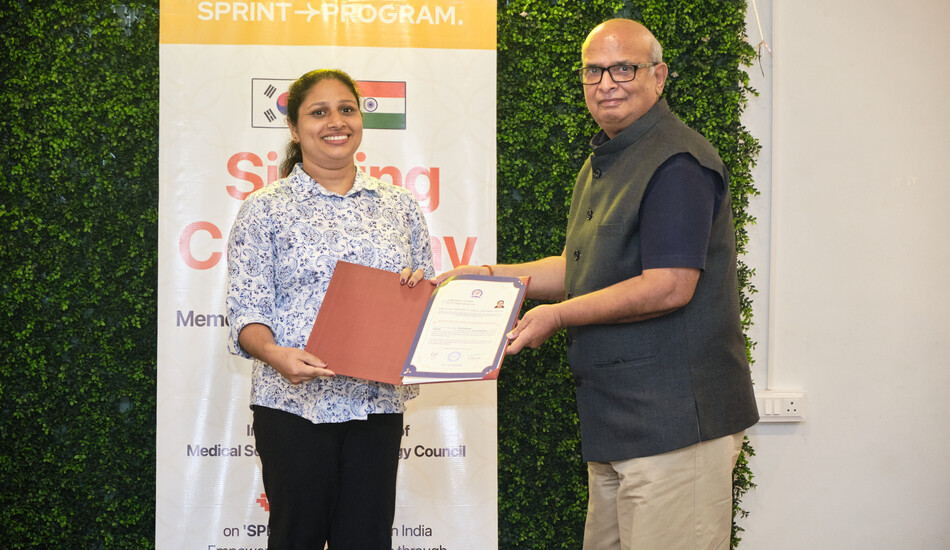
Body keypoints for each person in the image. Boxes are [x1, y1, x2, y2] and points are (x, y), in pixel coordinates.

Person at [434, 19, 759, 550]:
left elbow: (669, 285)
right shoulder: (605, 160)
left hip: (674, 426)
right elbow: (581, 267)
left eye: (623, 68)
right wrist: (486, 277)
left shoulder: (677, 162)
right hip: (618, 425)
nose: (606, 83)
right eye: (594, 71)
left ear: (659, 76)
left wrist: (558, 315)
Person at [226, 69, 434, 549]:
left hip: (375, 404)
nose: (336, 121)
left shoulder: (400, 206)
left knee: (367, 540)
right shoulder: (264, 208)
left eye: (346, 109)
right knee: (296, 538)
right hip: (293, 406)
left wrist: (416, 292)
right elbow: (246, 312)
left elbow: (422, 293)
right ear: (294, 129)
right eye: (319, 112)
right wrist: (274, 353)